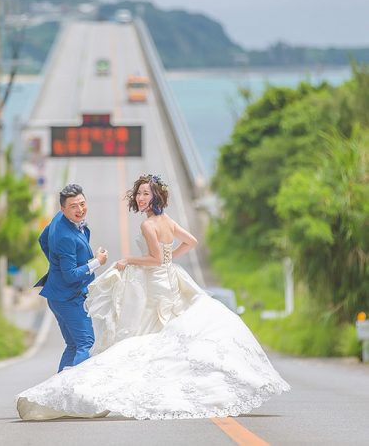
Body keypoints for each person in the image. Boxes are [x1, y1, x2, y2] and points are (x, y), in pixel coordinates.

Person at [17, 175, 290, 420]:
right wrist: (169, 262)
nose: (140, 197)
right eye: (139, 193)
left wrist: (128, 261)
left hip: (155, 283)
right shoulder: (167, 221)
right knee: (165, 335)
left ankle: (69, 391)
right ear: (64, 208)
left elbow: (155, 258)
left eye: (145, 193)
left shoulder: (149, 226)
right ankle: (65, 390)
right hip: (168, 279)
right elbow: (188, 243)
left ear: (156, 196)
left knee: (143, 336)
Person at [36, 183, 108, 372]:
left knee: (74, 345)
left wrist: (56, 263)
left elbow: (42, 239)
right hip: (69, 298)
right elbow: (70, 276)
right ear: (63, 208)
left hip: (57, 296)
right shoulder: (66, 237)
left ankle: (59, 393)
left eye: (82, 204)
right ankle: (73, 391)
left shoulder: (59, 218)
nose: (80, 209)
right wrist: (97, 262)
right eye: (73, 206)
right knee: (87, 344)